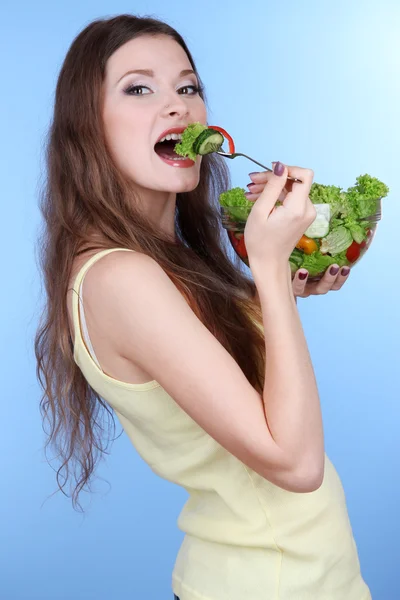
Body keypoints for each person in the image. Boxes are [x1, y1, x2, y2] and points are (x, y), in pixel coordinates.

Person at [34, 13, 370, 600]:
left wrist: (280, 290)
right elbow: (293, 464)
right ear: (86, 126)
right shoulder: (121, 277)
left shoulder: (163, 262)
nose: (177, 107)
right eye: (139, 88)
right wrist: (265, 267)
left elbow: (234, 379)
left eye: (188, 87)